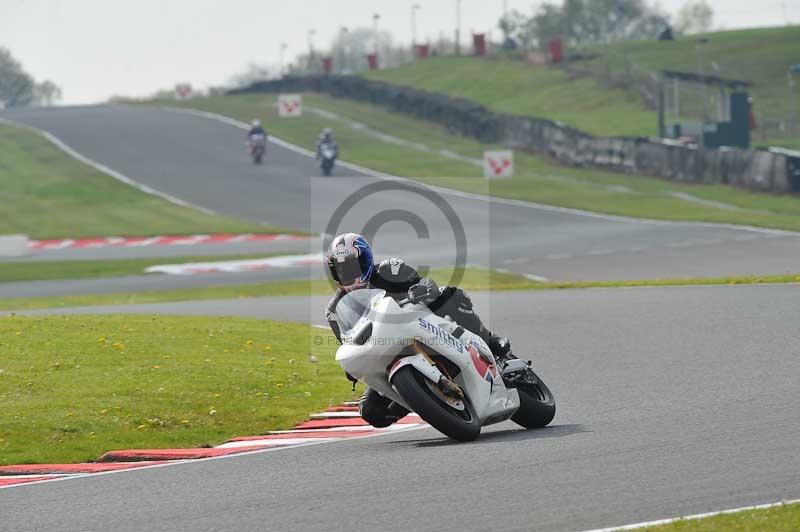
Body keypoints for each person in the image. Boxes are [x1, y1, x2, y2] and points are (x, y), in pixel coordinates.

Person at [324, 232, 516, 428]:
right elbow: (348, 342)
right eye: (341, 270)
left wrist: (421, 288)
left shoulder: (389, 269)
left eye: (352, 266)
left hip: (420, 323)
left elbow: (425, 283)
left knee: (450, 295)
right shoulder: (334, 311)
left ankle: (490, 341)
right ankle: (422, 399)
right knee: (370, 410)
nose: (348, 273)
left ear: (366, 260)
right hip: (385, 350)